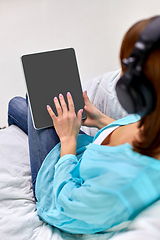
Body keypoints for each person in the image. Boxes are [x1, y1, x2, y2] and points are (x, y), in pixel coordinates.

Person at [8, 15, 160, 236]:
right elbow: (136, 132)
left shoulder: (126, 182)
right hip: (83, 155)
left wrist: (68, 141)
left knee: (31, 103)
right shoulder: (152, 120)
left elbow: (67, 205)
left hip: (60, 191)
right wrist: (101, 121)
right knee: (20, 104)